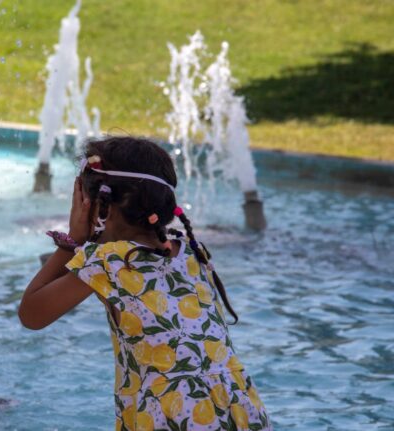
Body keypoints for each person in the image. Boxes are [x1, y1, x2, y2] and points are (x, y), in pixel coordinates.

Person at [19, 136, 272, 431]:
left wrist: (72, 242)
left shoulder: (110, 261)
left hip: (171, 415)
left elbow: (31, 314)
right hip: (241, 409)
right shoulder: (191, 251)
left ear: (101, 206)